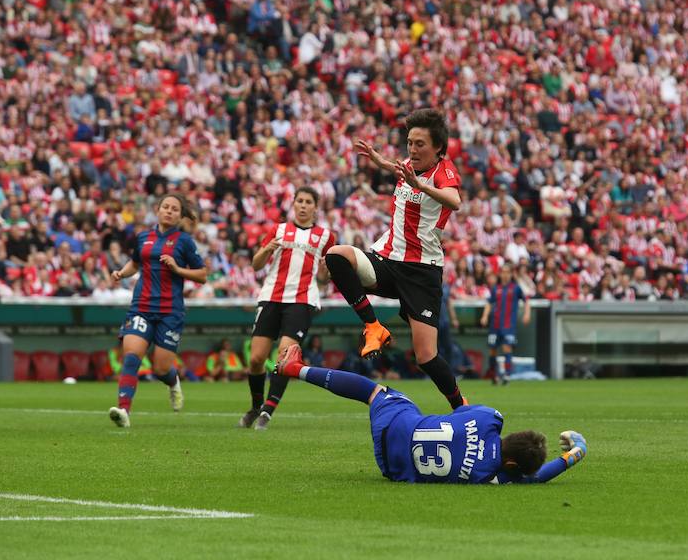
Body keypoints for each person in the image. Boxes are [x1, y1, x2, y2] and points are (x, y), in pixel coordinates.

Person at [275, 343, 588, 484]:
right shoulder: (496, 476)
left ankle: (296, 369)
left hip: (397, 424)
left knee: (374, 392)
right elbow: (538, 477)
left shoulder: (490, 418)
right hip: (393, 469)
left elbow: (461, 411)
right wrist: (575, 455)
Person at [325, 109, 468, 410]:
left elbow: (455, 201)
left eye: (420, 144)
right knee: (337, 257)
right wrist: (379, 161)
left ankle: (462, 407)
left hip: (422, 272)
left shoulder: (444, 172)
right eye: (410, 142)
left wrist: (422, 187)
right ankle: (373, 326)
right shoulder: (406, 165)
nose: (413, 150)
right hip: (388, 260)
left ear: (438, 148)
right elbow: (401, 168)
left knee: (426, 356)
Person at [238, 186, 334, 430]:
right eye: (299, 201)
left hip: (302, 300)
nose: (303, 205)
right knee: (257, 358)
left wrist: (325, 274)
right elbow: (256, 264)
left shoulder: (325, 237)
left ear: (315, 207)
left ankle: (267, 411)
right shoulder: (278, 230)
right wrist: (267, 249)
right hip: (271, 296)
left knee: (284, 355)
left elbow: (324, 278)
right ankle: (256, 405)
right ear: (293, 204)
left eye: (308, 202)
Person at [107, 193, 207, 428]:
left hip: (170, 311)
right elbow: (135, 263)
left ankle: (173, 383)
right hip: (141, 307)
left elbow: (202, 275)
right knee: (131, 357)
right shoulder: (143, 237)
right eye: (166, 207)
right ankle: (124, 411)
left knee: (162, 367)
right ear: (158, 209)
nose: (169, 211)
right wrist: (122, 273)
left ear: (180, 216)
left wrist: (178, 269)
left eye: (174, 209)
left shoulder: (184, 241)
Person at [480, 264, 532, 384]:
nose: (505, 274)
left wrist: (527, 314)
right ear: (500, 274)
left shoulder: (516, 288)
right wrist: (484, 316)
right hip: (495, 325)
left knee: (507, 348)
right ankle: (493, 374)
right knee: (492, 350)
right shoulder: (495, 288)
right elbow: (489, 302)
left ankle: (507, 375)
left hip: (509, 325)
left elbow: (526, 301)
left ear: (511, 274)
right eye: (503, 272)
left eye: (507, 272)